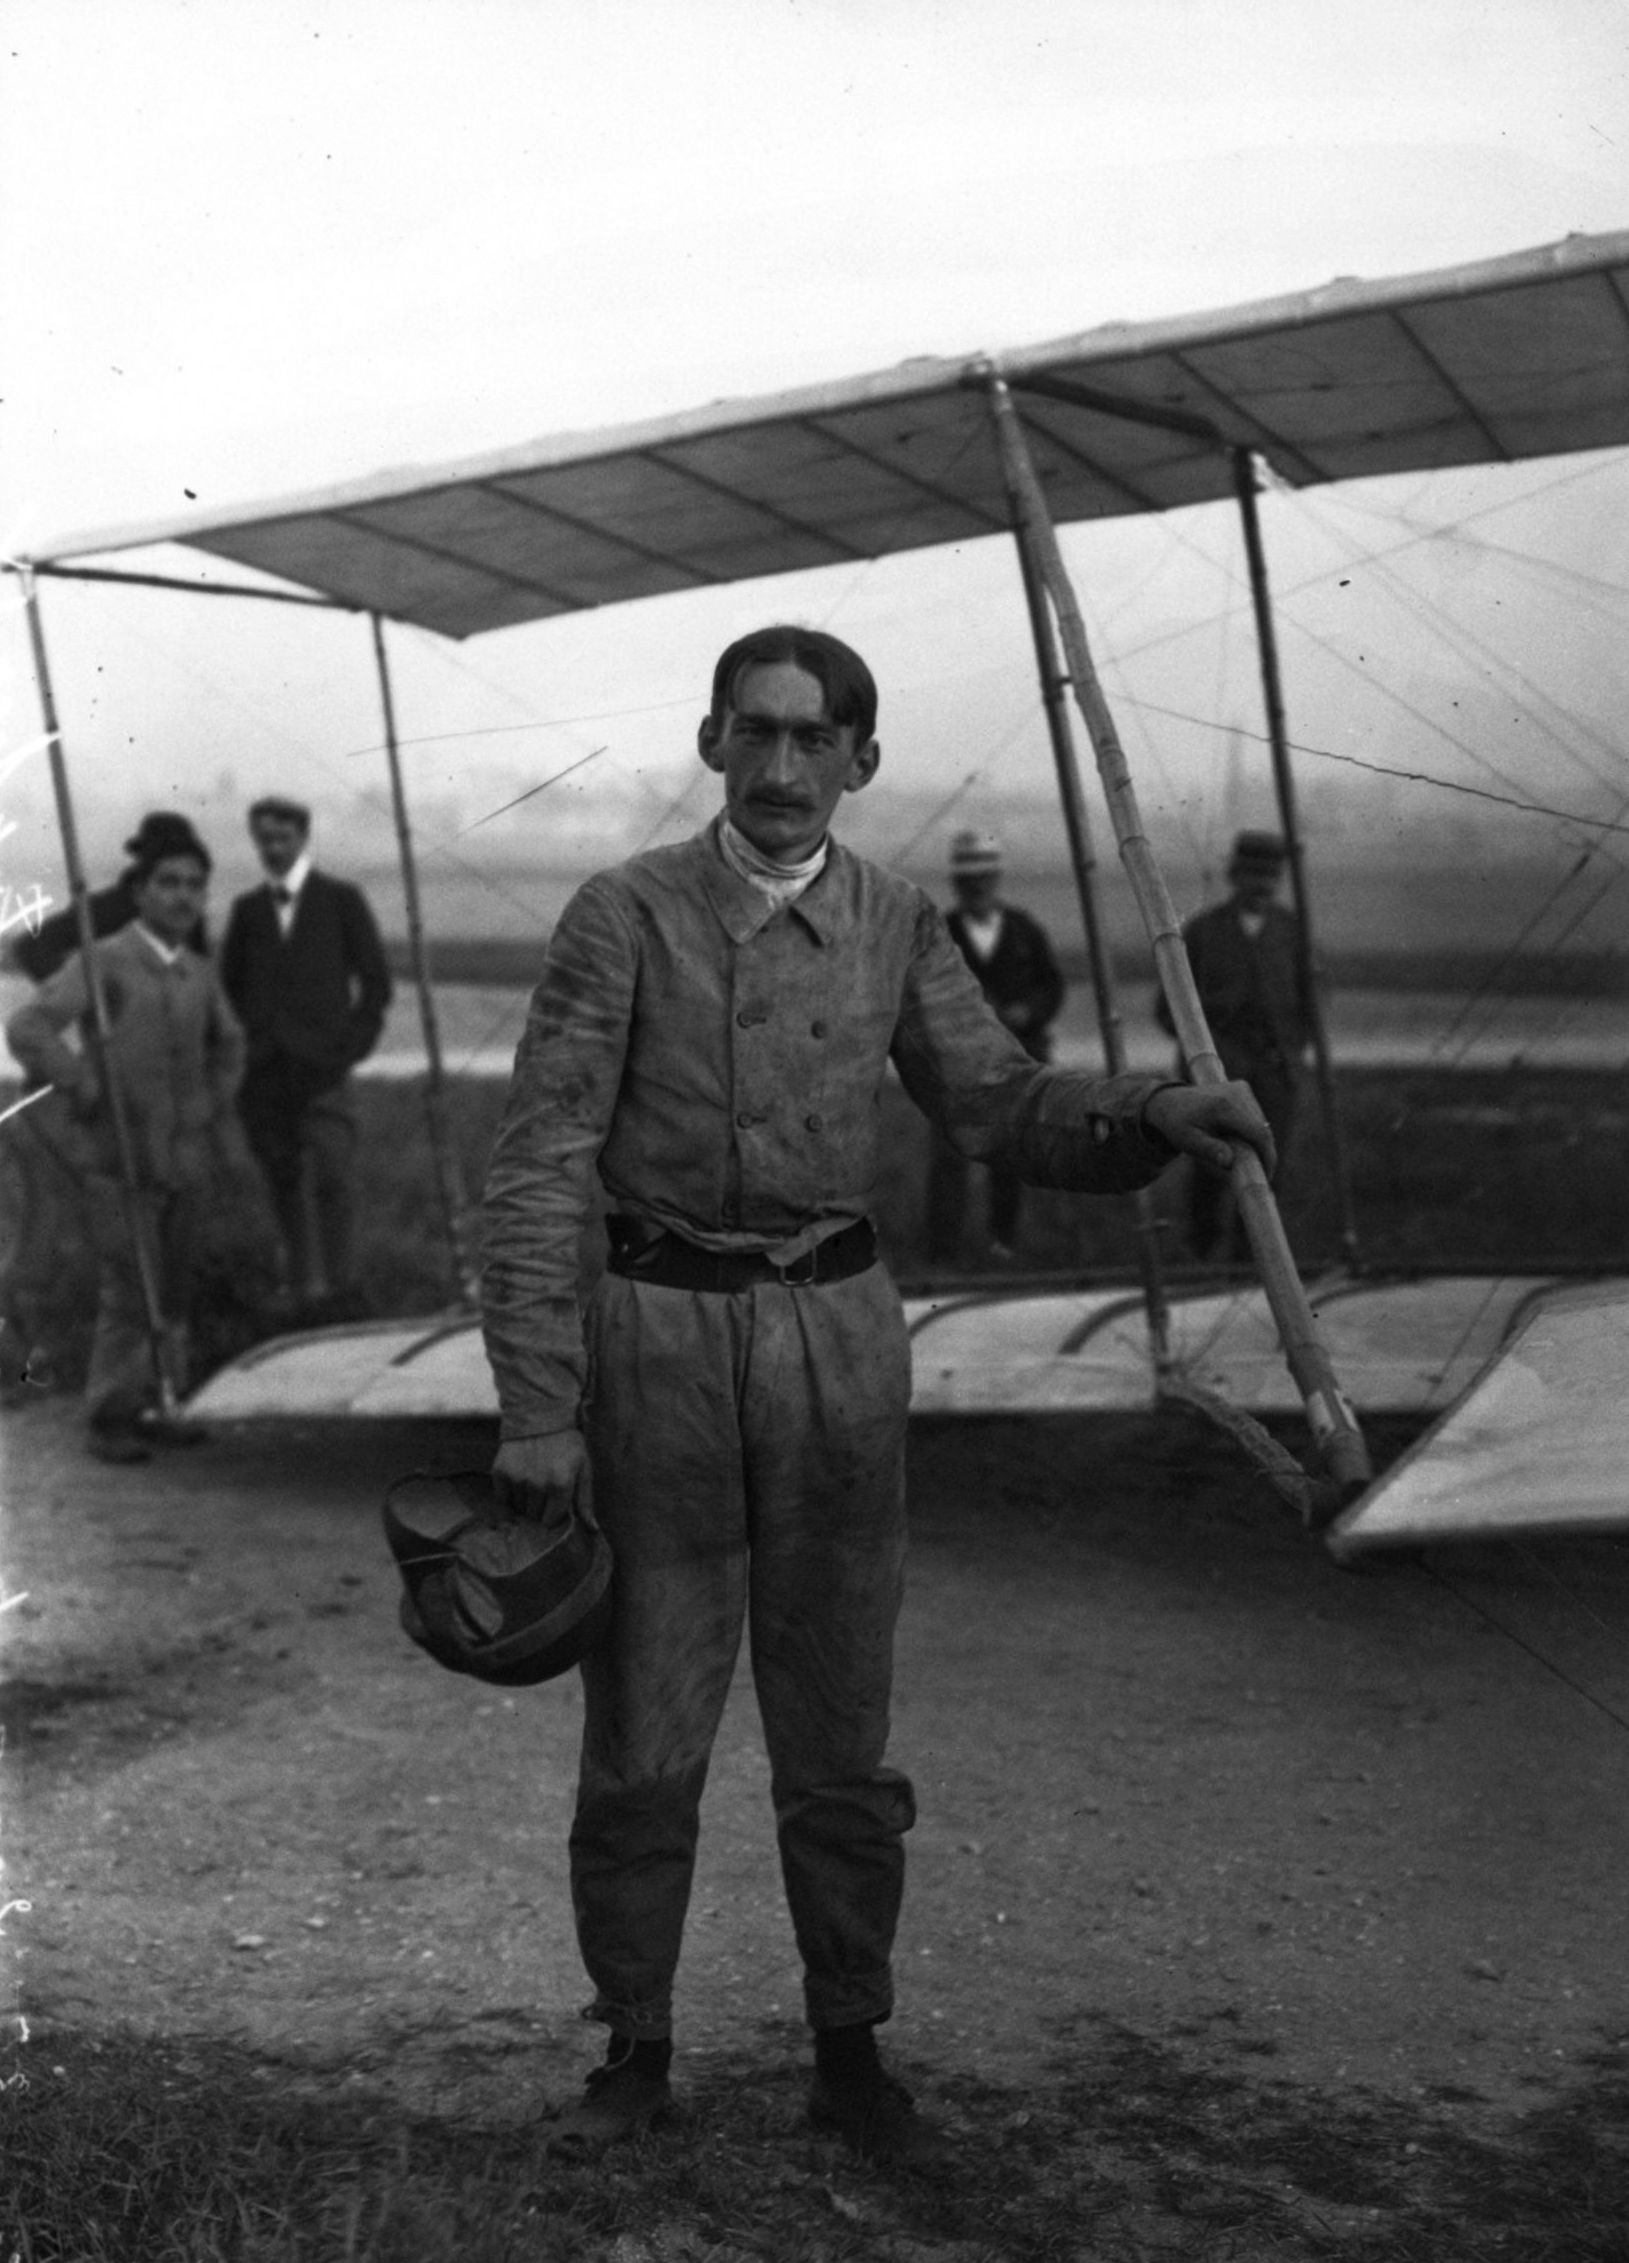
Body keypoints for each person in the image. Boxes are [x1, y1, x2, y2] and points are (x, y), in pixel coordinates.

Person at [479, 625, 1274, 2168]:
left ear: (862, 759)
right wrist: (538, 1404)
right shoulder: (622, 913)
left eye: (814, 738)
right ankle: (634, 2049)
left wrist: (1155, 1110)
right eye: (756, 732)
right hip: (658, 1348)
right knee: (644, 1726)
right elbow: (537, 1164)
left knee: (840, 1727)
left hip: (840, 1353)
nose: (782, 768)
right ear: (712, 742)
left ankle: (851, 2050)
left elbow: (999, 1101)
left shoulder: (897, 920)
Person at [5, 828, 244, 1462]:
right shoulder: (102, 960)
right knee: (130, 1285)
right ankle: (111, 1414)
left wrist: (212, 1102)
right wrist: (79, 1079)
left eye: (194, 886)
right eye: (168, 883)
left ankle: (163, 1402)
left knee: (174, 1284)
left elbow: (230, 1045)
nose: (182, 896)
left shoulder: (198, 971)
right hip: (121, 1152)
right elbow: (28, 1026)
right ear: (139, 892)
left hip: (185, 1156)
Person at [220, 797, 392, 1320]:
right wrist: (247, 1049)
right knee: (283, 1178)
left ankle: (342, 1289)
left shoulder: (341, 901)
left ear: (303, 837)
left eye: (282, 838)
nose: (273, 849)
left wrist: (349, 1048)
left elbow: (376, 984)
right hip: (265, 1076)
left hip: (323, 1072)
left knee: (334, 1176)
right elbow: (229, 990)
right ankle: (303, 1291)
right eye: (264, 839)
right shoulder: (247, 911)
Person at [1156, 829, 1315, 1261]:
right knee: (1211, 1166)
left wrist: (1290, 1052)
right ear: (1234, 875)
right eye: (1252, 875)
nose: (1262, 885)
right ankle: (1203, 1257)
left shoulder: (1291, 930)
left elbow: (1312, 1002)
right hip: (1216, 1076)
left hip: (1276, 1074)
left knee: (1269, 1165)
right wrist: (1208, 1051)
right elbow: (1168, 1008)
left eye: (1270, 876)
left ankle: (1256, 1262)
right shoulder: (1203, 932)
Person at [924, 827, 1065, 1263]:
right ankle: (943, 1251)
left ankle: (1004, 1242)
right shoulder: (938, 934)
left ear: (996, 878)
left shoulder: (1025, 930)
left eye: (984, 876)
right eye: (968, 879)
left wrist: (1029, 1011)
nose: (977, 886)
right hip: (956, 1067)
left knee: (1009, 1156)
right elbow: (920, 996)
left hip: (1017, 1063)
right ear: (957, 882)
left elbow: (1052, 985)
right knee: (951, 1158)